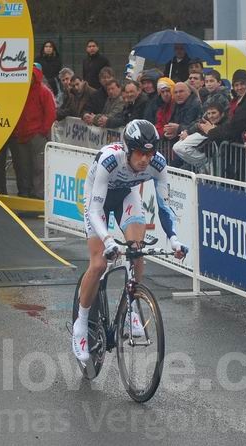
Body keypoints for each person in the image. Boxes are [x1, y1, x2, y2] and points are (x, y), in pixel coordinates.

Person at [71, 120, 188, 366]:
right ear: (127, 149)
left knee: (137, 249)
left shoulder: (158, 164)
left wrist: (175, 239)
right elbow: (94, 210)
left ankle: (131, 307)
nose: (145, 159)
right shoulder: (109, 160)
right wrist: (108, 240)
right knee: (99, 263)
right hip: (98, 201)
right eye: (140, 153)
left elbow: (164, 207)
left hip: (126, 196)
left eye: (150, 153)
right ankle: (80, 325)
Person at [11, 65, 56, 198]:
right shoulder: (20, 92)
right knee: (23, 167)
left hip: (36, 135)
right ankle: (25, 193)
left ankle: (39, 194)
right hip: (22, 134)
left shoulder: (43, 91)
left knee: (38, 167)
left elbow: (50, 113)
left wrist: (43, 131)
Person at [173, 100, 228, 170]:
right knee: (176, 147)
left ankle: (205, 162)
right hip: (207, 157)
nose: (211, 116)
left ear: (222, 114)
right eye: (209, 113)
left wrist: (213, 131)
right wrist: (188, 132)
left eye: (214, 113)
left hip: (220, 159)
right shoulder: (206, 122)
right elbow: (197, 125)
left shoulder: (226, 124)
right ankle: (203, 163)